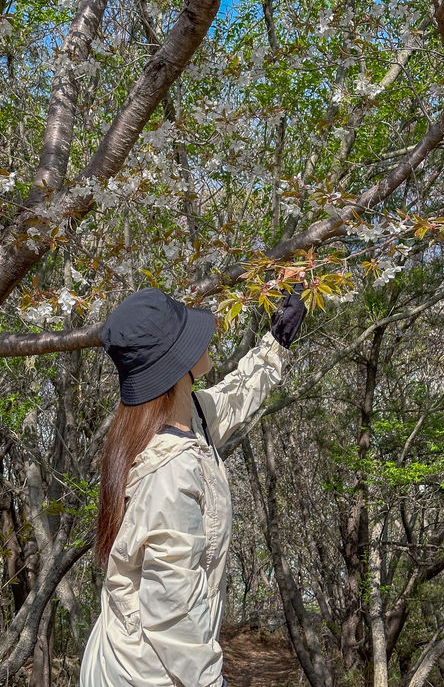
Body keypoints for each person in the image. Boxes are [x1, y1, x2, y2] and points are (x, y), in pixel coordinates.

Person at [80, 283, 307, 687]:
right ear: (175, 363)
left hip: (132, 655)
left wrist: (277, 342)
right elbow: (175, 612)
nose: (205, 339)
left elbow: (235, 397)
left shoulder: (183, 418)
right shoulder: (169, 473)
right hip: (150, 674)